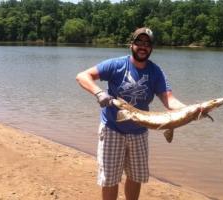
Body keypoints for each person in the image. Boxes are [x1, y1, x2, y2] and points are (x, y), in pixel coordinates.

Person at [76, 27, 186, 200]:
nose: (143, 46)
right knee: (110, 179)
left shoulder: (156, 72)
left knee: (136, 177)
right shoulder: (116, 65)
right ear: (131, 45)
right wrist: (99, 93)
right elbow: (83, 76)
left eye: (147, 44)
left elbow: (169, 101)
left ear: (151, 48)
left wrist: (191, 111)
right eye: (139, 42)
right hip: (112, 129)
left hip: (139, 132)